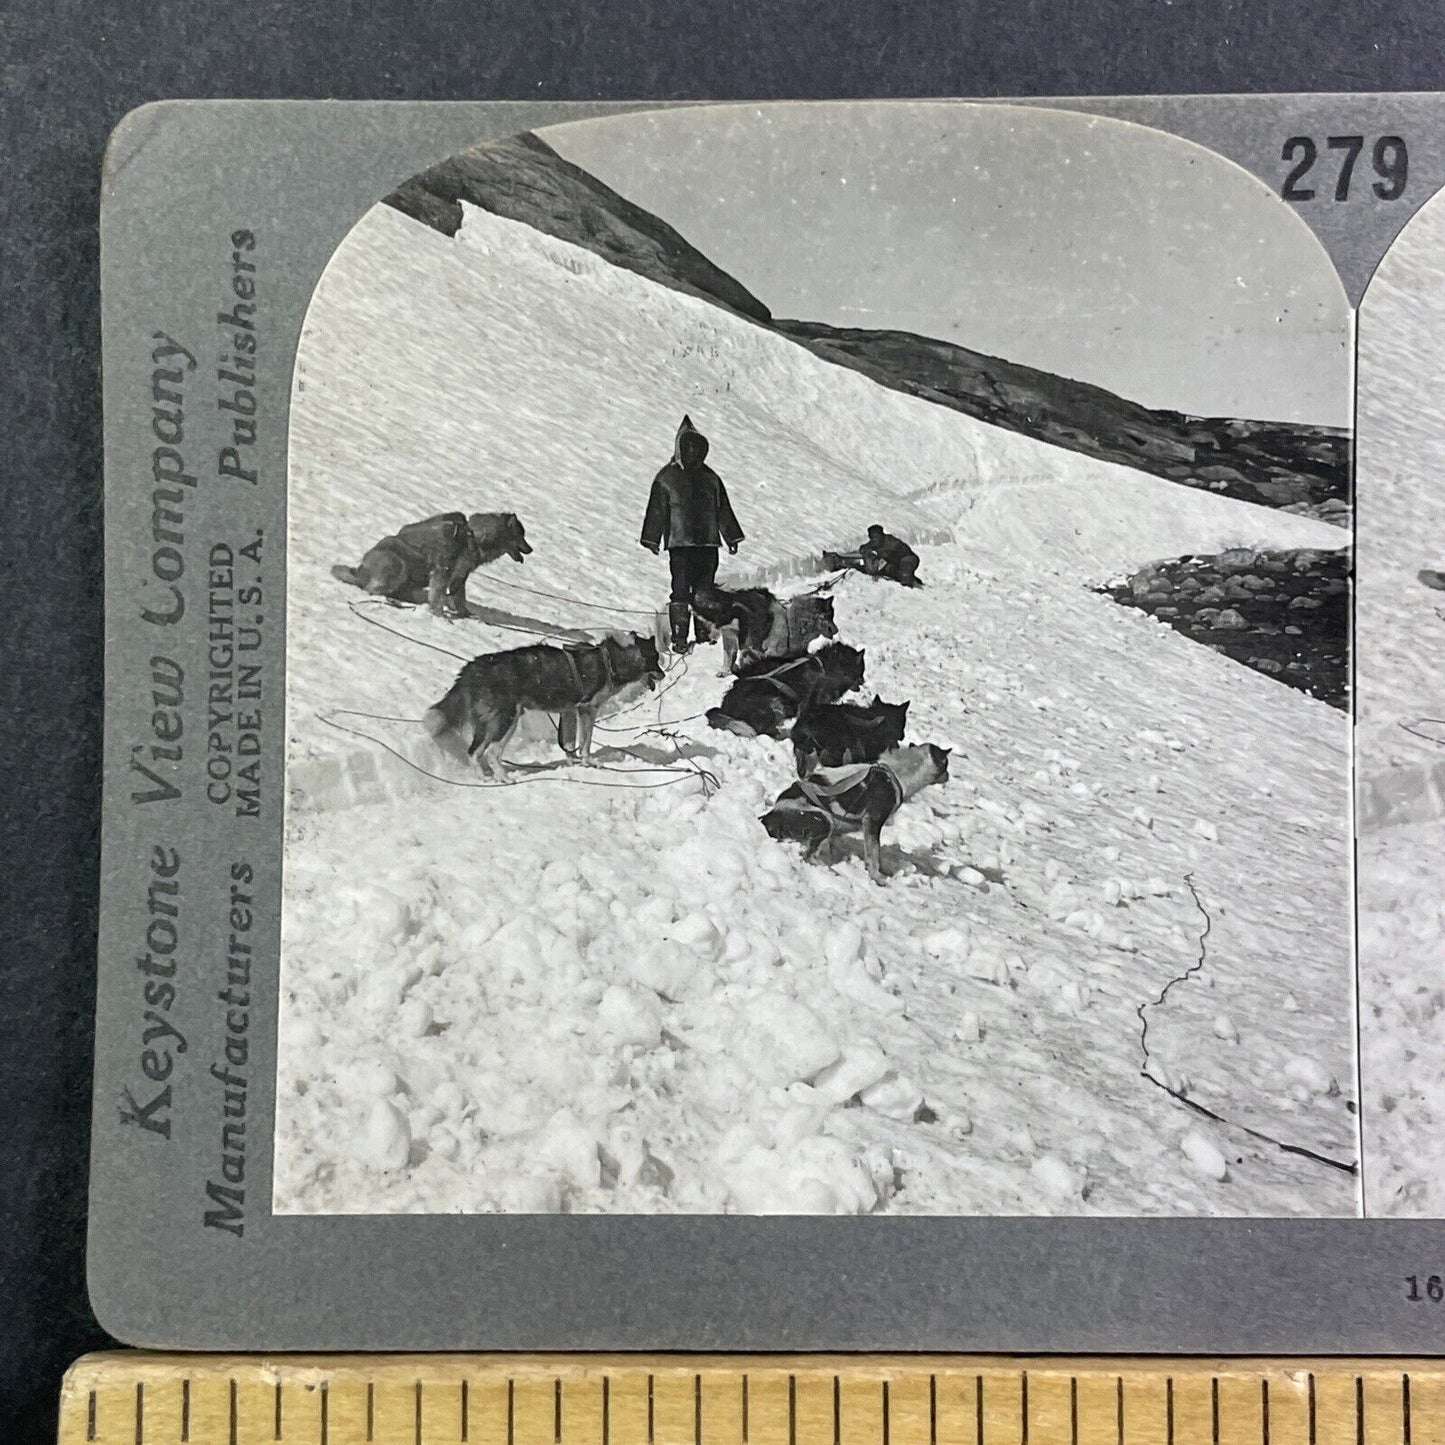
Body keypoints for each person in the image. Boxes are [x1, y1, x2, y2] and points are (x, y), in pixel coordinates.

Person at [640, 415, 745, 652]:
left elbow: (723, 509)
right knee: (680, 589)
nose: (693, 451)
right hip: (680, 545)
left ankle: (703, 633)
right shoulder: (666, 478)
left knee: (704, 589)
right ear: (680, 447)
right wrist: (652, 538)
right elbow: (656, 511)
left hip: (708, 543)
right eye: (688, 446)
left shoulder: (711, 478)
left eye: (697, 447)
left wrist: (731, 537)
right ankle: (679, 638)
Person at [331, 510, 532, 617]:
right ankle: (377, 587)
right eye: (516, 542)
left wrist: (461, 611)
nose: (522, 548)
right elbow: (441, 576)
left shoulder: (470, 544)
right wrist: (436, 610)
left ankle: (397, 591)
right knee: (395, 573)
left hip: (399, 568)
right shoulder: (455, 539)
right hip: (384, 563)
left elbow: (457, 580)